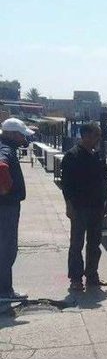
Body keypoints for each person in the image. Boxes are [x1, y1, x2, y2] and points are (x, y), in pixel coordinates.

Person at [61, 123, 107, 291]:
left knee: (94, 244)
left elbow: (104, 180)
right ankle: (76, 278)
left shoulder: (98, 156)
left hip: (97, 206)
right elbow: (66, 184)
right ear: (86, 136)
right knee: (77, 244)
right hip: (79, 207)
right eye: (96, 135)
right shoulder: (72, 156)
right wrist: (69, 205)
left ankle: (92, 275)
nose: (99, 139)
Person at [0, 118, 33, 301]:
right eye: (21, 135)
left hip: (6, 206)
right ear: (12, 134)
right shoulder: (5, 149)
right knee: (7, 248)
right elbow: (1, 167)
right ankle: (4, 291)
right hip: (6, 207)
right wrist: (5, 189)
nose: (24, 139)